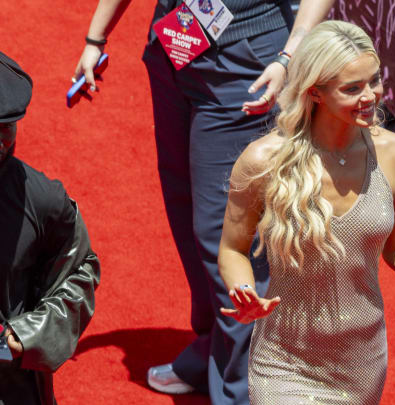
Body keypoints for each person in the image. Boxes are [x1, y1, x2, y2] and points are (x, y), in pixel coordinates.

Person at [217, 20, 395, 404]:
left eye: (374, 81)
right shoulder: (263, 161)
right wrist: (243, 291)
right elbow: (233, 248)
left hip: (361, 360)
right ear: (316, 92)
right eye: (352, 88)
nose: (371, 96)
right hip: (284, 361)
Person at [72, 0, 334, 402]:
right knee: (186, 212)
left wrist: (290, 54)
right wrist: (96, 36)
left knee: (227, 236)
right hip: (177, 44)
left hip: (247, 62)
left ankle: (244, 390)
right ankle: (214, 350)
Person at [0, 51, 101, 405]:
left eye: (6, 127)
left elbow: (81, 271)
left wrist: (24, 337)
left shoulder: (44, 200)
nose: (0, 143)